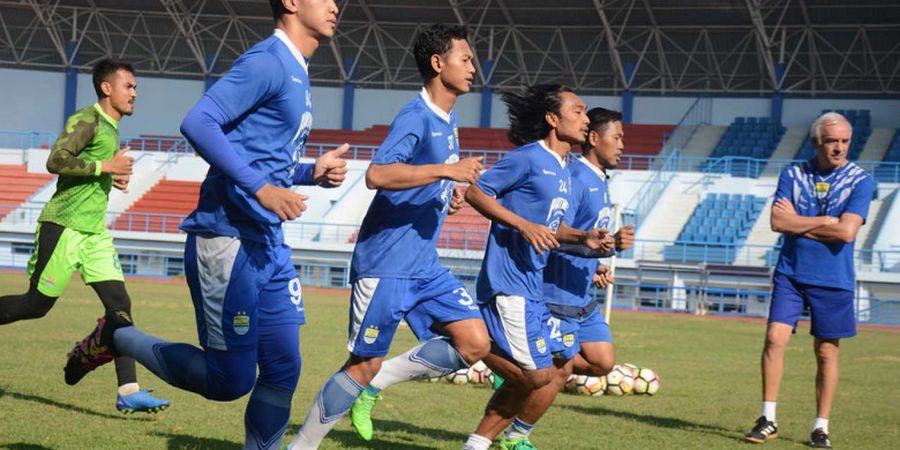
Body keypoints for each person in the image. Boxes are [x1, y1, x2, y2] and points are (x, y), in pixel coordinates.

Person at [64, 1, 348, 448]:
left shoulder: (297, 70)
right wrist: (260, 188)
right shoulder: (267, 61)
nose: (335, 5)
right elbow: (198, 122)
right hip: (227, 238)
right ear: (291, 2)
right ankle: (117, 336)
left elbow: (263, 157)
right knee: (229, 382)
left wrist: (309, 172)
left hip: (268, 242)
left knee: (283, 368)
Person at [287, 23, 489, 449]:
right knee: (362, 364)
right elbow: (377, 174)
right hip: (386, 265)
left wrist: (445, 194)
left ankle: (378, 385)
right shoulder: (416, 116)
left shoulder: (447, 121)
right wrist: (447, 172)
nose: (474, 67)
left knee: (474, 342)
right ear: (438, 63)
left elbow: (420, 180)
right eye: (466, 59)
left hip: (423, 266)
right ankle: (300, 446)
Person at [0, 58, 170, 414]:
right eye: (129, 86)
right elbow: (57, 160)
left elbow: (92, 172)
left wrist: (111, 178)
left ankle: (128, 390)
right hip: (63, 226)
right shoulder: (88, 120)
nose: (135, 94)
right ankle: (87, 360)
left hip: (94, 233)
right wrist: (105, 167)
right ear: (107, 88)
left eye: (135, 88)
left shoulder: (112, 128)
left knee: (120, 306)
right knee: (36, 305)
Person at [461, 85, 611, 450]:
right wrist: (522, 226)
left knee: (539, 377)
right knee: (540, 376)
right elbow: (476, 192)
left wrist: (583, 237)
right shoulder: (529, 157)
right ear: (552, 119)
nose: (586, 118)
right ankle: (466, 344)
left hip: (531, 289)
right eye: (577, 111)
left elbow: (551, 226)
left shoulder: (563, 169)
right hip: (510, 283)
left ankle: (478, 443)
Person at [494, 107, 635, 449]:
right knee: (559, 372)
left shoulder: (598, 180)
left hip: (581, 298)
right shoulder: (576, 180)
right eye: (616, 138)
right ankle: (516, 435)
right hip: (556, 298)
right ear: (593, 139)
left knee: (602, 363)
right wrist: (606, 247)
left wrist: (596, 262)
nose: (621, 145)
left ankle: (522, 372)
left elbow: (586, 242)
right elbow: (556, 236)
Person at [744, 112, 873, 449]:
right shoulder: (793, 173)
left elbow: (846, 233)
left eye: (845, 141)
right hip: (791, 272)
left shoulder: (861, 180)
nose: (839, 148)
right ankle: (768, 419)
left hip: (834, 278)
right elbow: (777, 222)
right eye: (832, 141)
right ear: (817, 142)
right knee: (774, 338)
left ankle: (820, 427)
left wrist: (798, 222)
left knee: (827, 353)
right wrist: (824, 222)